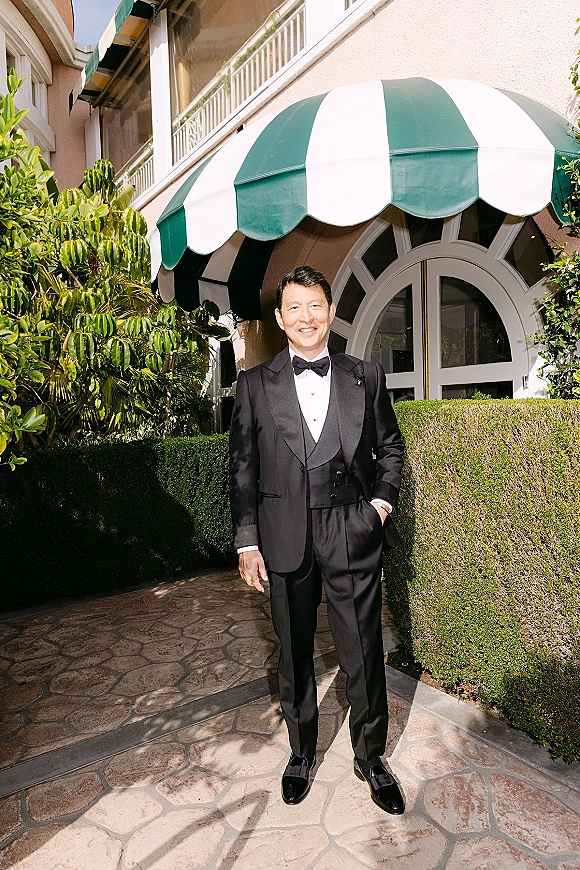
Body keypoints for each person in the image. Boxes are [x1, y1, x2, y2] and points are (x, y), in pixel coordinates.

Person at [229, 265, 405, 813]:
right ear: (280, 319)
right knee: (294, 653)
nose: (306, 317)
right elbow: (242, 469)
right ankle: (302, 753)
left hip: (350, 527)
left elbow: (390, 447)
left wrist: (379, 506)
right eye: (295, 308)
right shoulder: (253, 385)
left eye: (315, 306)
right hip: (283, 534)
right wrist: (247, 542)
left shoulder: (365, 375)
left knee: (364, 651)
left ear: (331, 312)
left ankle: (371, 758)